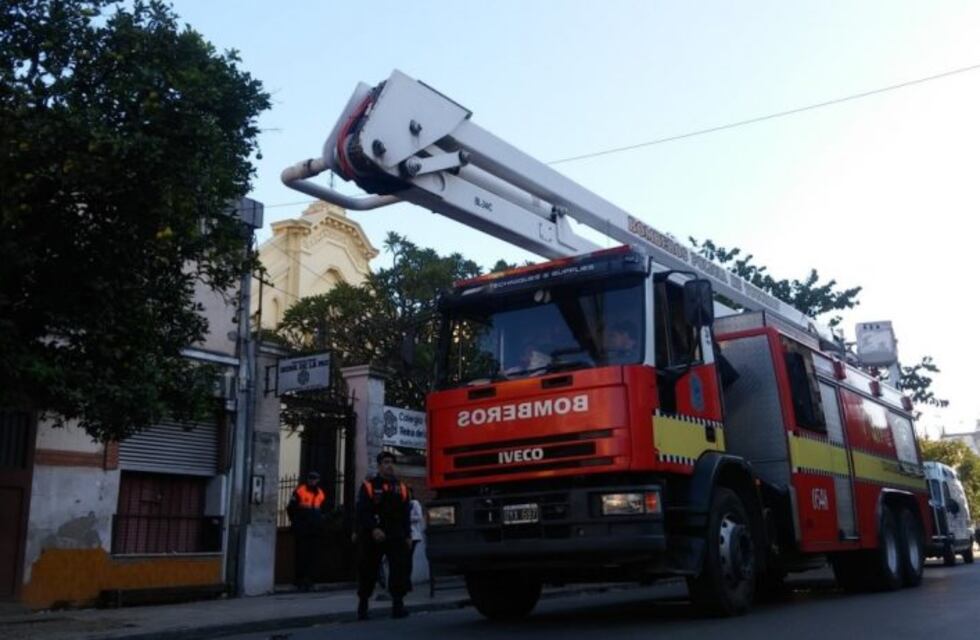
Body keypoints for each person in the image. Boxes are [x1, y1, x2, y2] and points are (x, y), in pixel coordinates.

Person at [356, 451, 412, 620]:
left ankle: (398, 606)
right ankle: (363, 606)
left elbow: (405, 514)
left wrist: (408, 535)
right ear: (379, 465)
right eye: (386, 462)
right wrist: (373, 528)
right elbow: (363, 511)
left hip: (396, 534)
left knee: (399, 570)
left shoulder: (401, 487)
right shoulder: (369, 485)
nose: (390, 465)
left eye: (392, 462)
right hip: (374, 535)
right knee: (368, 570)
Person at [287, 470, 326, 592]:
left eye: (315, 479)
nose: (312, 481)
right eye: (311, 478)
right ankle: (300, 581)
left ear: (318, 480)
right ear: (307, 479)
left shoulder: (320, 493)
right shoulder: (300, 491)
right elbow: (291, 508)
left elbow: (322, 509)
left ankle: (310, 580)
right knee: (301, 556)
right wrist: (296, 523)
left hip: (314, 529)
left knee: (312, 556)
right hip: (303, 529)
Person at [407, 489, 424, 590]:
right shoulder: (404, 503)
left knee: (408, 558)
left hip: (414, 534)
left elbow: (419, 517)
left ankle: (408, 581)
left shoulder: (414, 503)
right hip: (406, 534)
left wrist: (407, 518)